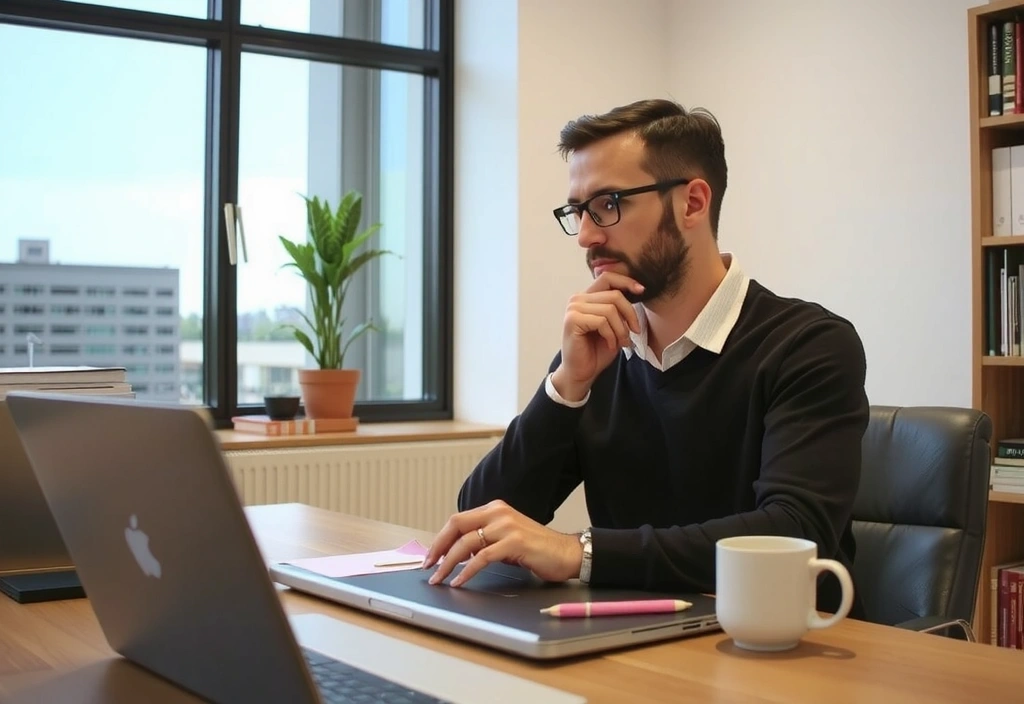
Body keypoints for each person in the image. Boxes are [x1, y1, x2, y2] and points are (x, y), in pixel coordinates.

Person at [422, 98, 869, 616]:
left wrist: (579, 552)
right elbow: (481, 516)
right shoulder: (600, 350)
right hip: (630, 635)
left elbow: (794, 532)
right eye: (577, 211)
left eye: (608, 203)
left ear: (692, 203)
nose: (586, 235)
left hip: (782, 640)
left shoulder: (808, 346)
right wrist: (567, 386)